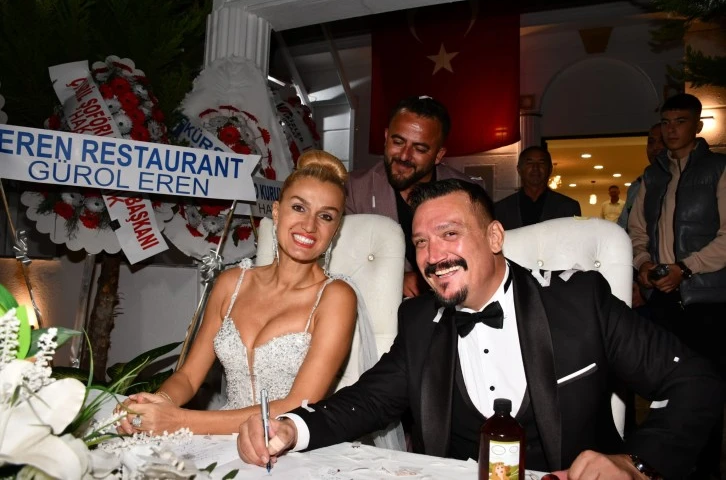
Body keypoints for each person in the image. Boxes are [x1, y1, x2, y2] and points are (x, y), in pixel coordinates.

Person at [237, 178, 724, 479]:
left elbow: (695, 382)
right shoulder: (419, 322)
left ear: (494, 236)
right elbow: (366, 401)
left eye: (450, 234)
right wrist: (290, 428)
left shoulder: (579, 302)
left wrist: (635, 465)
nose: (433, 256)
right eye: (421, 243)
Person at [115, 150, 358, 436]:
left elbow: (296, 405)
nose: (309, 225)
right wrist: (158, 403)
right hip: (216, 435)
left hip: (282, 444)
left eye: (325, 216)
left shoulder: (336, 298)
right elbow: (189, 377)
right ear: (276, 212)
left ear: (335, 230)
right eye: (299, 208)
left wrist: (178, 421)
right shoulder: (232, 284)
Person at [628, 93, 726, 478]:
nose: (671, 130)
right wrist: (643, 264)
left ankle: (705, 472)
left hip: (706, 300)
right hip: (662, 301)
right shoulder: (653, 175)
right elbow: (637, 231)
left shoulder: (718, 168)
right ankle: (662, 468)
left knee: (705, 392)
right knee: (661, 391)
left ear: (697, 126)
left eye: (680, 121)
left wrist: (685, 269)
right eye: (666, 122)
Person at [345, 95, 485, 297]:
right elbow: (342, 261)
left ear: (438, 155)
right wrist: (394, 278)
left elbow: (480, 260)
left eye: (419, 149)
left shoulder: (468, 192)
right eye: (397, 142)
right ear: (386, 137)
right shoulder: (353, 189)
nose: (404, 155)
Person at [494, 146, 581, 230]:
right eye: (529, 163)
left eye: (541, 163)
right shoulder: (501, 209)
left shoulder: (568, 207)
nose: (535, 167)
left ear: (550, 169)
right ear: (519, 169)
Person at [617, 123, 664, 230]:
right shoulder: (636, 187)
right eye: (651, 142)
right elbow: (623, 226)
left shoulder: (684, 183)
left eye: (662, 141)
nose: (655, 147)